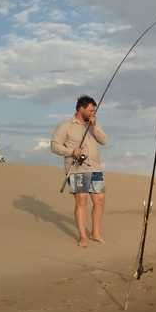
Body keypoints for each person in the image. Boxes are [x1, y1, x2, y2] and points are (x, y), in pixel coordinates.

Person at [51, 95, 108, 247]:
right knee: (81, 200)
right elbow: (54, 145)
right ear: (81, 109)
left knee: (99, 200)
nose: (93, 113)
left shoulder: (93, 124)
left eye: (94, 110)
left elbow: (104, 140)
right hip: (77, 169)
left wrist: (94, 126)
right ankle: (83, 236)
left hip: (95, 168)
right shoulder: (66, 126)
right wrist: (71, 152)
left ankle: (95, 233)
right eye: (90, 110)